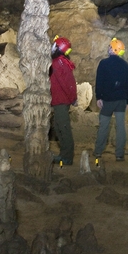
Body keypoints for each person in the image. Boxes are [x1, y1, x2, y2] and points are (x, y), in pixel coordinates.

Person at [94, 38, 128, 161]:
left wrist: (99, 96)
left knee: (104, 125)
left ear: (113, 49)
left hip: (108, 100)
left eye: (110, 47)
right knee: (120, 127)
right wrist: (127, 100)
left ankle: (98, 151)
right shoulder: (125, 65)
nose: (108, 48)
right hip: (121, 100)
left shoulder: (104, 63)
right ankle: (120, 154)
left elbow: (99, 82)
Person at [49, 35, 77, 165]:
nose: (52, 46)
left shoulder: (57, 63)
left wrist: (73, 99)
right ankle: (64, 154)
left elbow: (67, 84)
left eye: (54, 45)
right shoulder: (61, 61)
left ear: (58, 48)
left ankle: (67, 157)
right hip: (58, 100)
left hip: (61, 101)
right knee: (58, 127)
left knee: (63, 128)